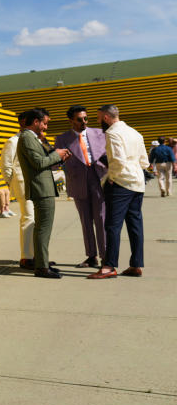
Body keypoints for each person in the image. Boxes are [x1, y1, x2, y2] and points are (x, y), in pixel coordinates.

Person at [89, 105, 150, 279]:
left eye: (99, 118)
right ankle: (136, 265)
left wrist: (111, 178)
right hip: (137, 182)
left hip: (120, 183)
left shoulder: (112, 133)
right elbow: (144, 162)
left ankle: (109, 266)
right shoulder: (135, 133)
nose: (98, 121)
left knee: (112, 226)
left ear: (106, 117)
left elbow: (117, 161)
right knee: (135, 225)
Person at [17, 109, 71, 278]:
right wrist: (57, 155)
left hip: (43, 187)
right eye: (45, 123)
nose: (46, 127)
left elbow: (42, 162)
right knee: (43, 229)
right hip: (41, 188)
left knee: (42, 228)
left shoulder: (32, 138)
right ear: (35, 122)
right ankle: (41, 267)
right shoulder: (27, 138)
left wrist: (58, 157)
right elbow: (39, 163)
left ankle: (42, 262)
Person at [55, 105, 108, 268]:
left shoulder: (100, 133)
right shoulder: (62, 138)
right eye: (80, 119)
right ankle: (91, 256)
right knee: (85, 220)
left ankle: (106, 257)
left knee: (101, 218)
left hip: (98, 177)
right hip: (77, 180)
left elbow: (108, 153)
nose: (84, 122)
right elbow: (58, 160)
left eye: (86, 118)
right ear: (71, 120)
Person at [1, 111, 38, 268]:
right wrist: (14, 182)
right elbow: (6, 165)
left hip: (36, 185)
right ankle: (27, 257)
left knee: (35, 220)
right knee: (28, 218)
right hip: (23, 185)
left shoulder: (35, 139)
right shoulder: (13, 141)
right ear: (23, 122)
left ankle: (36, 256)